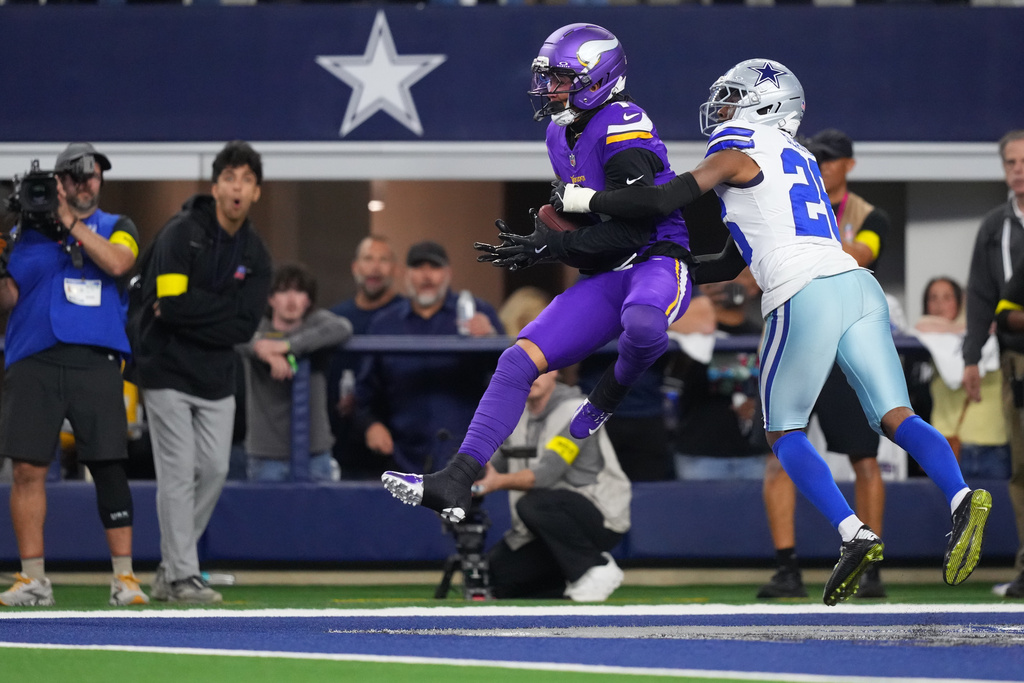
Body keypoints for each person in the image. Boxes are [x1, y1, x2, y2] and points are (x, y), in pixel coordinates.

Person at [552, 58, 992, 605]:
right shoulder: (803, 158)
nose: (721, 108)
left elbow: (666, 200)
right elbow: (725, 254)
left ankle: (853, 533)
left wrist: (583, 201)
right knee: (895, 416)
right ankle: (959, 497)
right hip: (858, 285)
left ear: (767, 105)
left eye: (733, 99)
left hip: (802, 290)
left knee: (783, 432)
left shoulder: (736, 152)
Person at [383, 24, 698, 526]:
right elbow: (592, 229)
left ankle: (608, 394)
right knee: (516, 360)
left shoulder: (624, 122)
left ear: (597, 77)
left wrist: (562, 246)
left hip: (658, 259)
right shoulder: (559, 130)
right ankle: (456, 479)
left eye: (562, 78)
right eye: (548, 77)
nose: (550, 89)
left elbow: (636, 229)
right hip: (606, 268)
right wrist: (545, 248)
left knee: (643, 325)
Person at [0, 143, 148, 606]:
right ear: (59, 183)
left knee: (107, 464)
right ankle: (33, 578)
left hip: (95, 360)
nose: (88, 183)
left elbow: (120, 264)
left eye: (95, 176)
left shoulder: (118, 227)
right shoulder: (24, 233)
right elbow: (8, 298)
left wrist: (69, 222)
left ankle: (125, 578)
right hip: (33, 358)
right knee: (26, 467)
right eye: (78, 177)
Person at [135, 140, 272, 603]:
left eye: (246, 181)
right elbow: (169, 306)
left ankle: (170, 568)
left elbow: (245, 325)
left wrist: (197, 313)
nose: (237, 188)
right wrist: (218, 315)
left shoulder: (256, 254)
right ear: (215, 187)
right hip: (165, 369)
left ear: (256, 193)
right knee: (176, 472)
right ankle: (181, 577)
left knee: (213, 468)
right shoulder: (180, 234)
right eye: (229, 179)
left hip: (215, 377)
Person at [758, 129, 892, 600]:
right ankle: (787, 567)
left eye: (832, 159)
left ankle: (871, 567)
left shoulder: (868, 214)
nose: (824, 165)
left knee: (865, 459)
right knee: (779, 455)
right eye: (818, 158)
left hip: (845, 346)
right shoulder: (783, 207)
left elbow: (864, 251)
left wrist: (803, 253)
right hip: (797, 336)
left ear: (849, 165)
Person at [476, 370, 631, 601]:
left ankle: (595, 567)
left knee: (535, 503)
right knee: (496, 577)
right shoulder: (514, 414)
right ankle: (571, 580)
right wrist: (461, 475)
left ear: (556, 371)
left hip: (600, 516)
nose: (532, 377)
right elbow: (491, 464)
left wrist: (496, 483)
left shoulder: (579, 411)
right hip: (544, 525)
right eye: (524, 370)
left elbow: (547, 474)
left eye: (540, 370)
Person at [355, 240, 503, 474]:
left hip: (471, 458)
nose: (426, 276)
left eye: (434, 268)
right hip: (403, 459)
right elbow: (363, 393)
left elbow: (510, 377)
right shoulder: (385, 324)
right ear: (405, 274)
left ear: (448, 273)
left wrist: (493, 338)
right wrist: (370, 425)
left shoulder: (479, 315)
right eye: (418, 267)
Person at [238, 264, 352, 482]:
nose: (291, 300)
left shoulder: (316, 322)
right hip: (267, 454)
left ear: (308, 300)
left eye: (299, 292)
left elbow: (343, 328)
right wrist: (266, 353)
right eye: (283, 291)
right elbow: (237, 335)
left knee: (320, 516)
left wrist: (286, 346)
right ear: (271, 299)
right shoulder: (258, 327)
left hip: (315, 451)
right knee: (269, 517)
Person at [327, 235, 406, 480]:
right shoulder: (333, 319)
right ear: (355, 267)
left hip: (399, 450)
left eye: (383, 260)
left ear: (394, 269)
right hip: (342, 452)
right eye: (368, 259)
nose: (375, 267)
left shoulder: (409, 316)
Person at [916, 277, 1009, 478]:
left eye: (947, 297)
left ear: (960, 301)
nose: (940, 304)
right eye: (933, 298)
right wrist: (970, 329)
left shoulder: (997, 333)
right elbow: (921, 324)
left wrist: (975, 330)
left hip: (992, 444)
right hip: (948, 446)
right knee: (950, 510)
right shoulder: (928, 339)